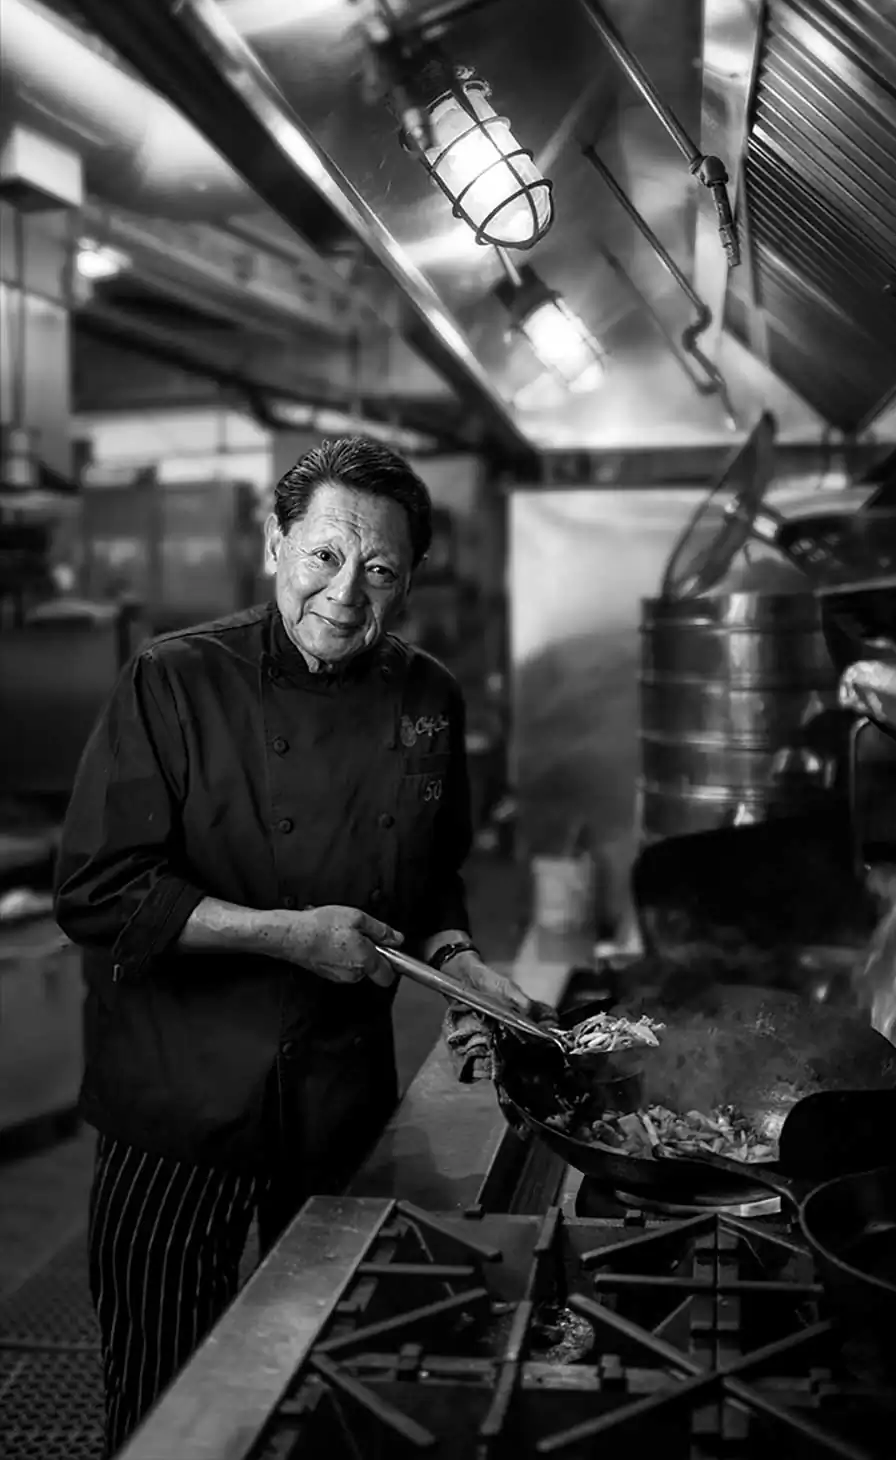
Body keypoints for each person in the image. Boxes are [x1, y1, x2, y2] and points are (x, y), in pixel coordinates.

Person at [54, 435, 539, 1455]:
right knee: (160, 1396)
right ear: (275, 543)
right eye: (324, 554)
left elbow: (431, 874)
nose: (345, 594)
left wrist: (457, 960)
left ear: (411, 579)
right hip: (178, 1101)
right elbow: (97, 890)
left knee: (324, 1374)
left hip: (336, 1102)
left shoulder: (429, 698)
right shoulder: (174, 680)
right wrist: (286, 935)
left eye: (380, 569)